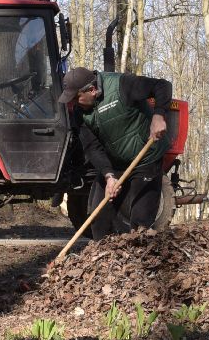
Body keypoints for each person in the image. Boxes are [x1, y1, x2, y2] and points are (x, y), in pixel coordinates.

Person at [61, 66, 173, 239]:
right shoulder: (79, 112)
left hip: (145, 159)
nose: (72, 104)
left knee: (140, 224)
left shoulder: (122, 85)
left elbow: (162, 86)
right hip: (115, 163)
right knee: (99, 221)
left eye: (76, 98)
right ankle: (105, 263)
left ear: (92, 90)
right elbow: (92, 146)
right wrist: (108, 175)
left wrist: (159, 116)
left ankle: (136, 263)